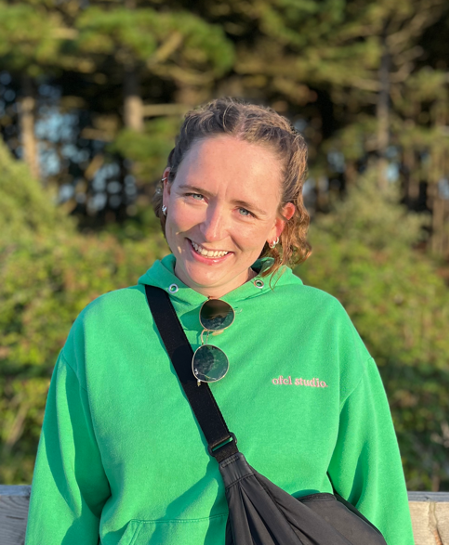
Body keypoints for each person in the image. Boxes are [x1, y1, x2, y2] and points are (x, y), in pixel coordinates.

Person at [25, 97, 414, 545]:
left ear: (278, 223)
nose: (212, 230)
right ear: (167, 189)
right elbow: (62, 517)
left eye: (245, 210)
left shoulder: (322, 326)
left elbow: (380, 510)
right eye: (196, 195)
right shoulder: (103, 330)